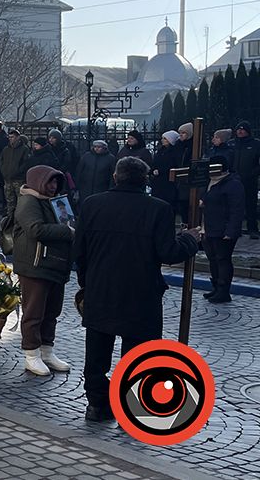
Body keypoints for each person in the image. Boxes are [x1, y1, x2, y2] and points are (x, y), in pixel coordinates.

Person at [76, 156, 199, 422]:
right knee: (137, 356)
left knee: (96, 356)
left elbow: (80, 252)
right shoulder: (158, 209)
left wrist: (87, 283)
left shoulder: (92, 204)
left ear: (115, 177)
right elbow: (168, 251)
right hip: (140, 294)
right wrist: (190, 239)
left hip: (101, 289)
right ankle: (128, 408)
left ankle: (97, 404)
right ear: (145, 181)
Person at [13, 165, 75, 376]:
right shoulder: (28, 200)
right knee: (34, 312)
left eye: (56, 182)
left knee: (51, 311)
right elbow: (35, 229)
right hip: (35, 265)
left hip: (54, 264)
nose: (53, 186)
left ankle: (47, 351)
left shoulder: (55, 201)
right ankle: (31, 354)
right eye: (49, 181)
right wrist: (67, 230)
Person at [201, 161, 244, 303]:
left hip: (223, 229)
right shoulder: (210, 182)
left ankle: (223, 290)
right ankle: (216, 287)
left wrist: (231, 231)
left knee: (223, 259)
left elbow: (236, 210)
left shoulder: (232, 184)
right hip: (209, 227)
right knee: (213, 258)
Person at [233, 121, 259, 239]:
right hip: (234, 180)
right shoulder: (232, 144)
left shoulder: (256, 144)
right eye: (238, 129)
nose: (240, 131)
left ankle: (252, 229)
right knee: (235, 205)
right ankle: (235, 229)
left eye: (243, 129)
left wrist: (253, 173)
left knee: (250, 205)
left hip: (249, 180)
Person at [150, 131, 182, 220]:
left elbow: (172, 165)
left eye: (165, 138)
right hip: (158, 181)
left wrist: (161, 170)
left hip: (168, 182)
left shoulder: (174, 152)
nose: (162, 140)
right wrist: (153, 170)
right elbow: (154, 162)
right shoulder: (160, 150)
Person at [75, 140, 115, 210]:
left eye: (99, 147)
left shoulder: (110, 158)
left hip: (101, 188)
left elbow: (112, 175)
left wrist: (110, 188)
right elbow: (79, 171)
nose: (96, 148)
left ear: (104, 148)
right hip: (85, 188)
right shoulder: (86, 156)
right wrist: (77, 186)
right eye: (95, 147)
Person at [0, 128, 30, 218]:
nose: (10, 139)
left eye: (12, 137)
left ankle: (20, 219)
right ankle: (10, 218)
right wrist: (4, 171)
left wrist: (17, 172)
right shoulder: (6, 149)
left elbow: (26, 163)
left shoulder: (24, 149)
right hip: (8, 179)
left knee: (21, 200)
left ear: (18, 138)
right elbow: (1, 161)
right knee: (10, 201)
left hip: (19, 179)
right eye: (9, 137)